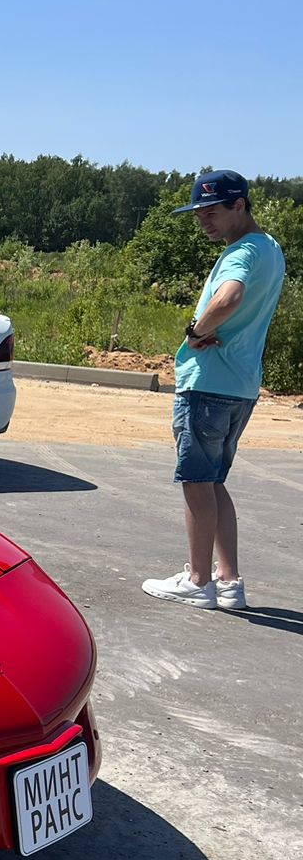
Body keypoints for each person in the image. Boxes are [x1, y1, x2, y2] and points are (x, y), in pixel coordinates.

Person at [141, 170, 285, 610]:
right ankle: (228, 581)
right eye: (199, 212)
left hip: (209, 384)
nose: (204, 220)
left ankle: (199, 581)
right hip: (239, 385)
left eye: (212, 212)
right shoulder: (270, 248)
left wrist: (194, 332)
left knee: (196, 483)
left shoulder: (242, 252)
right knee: (214, 483)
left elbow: (229, 298)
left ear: (240, 205)